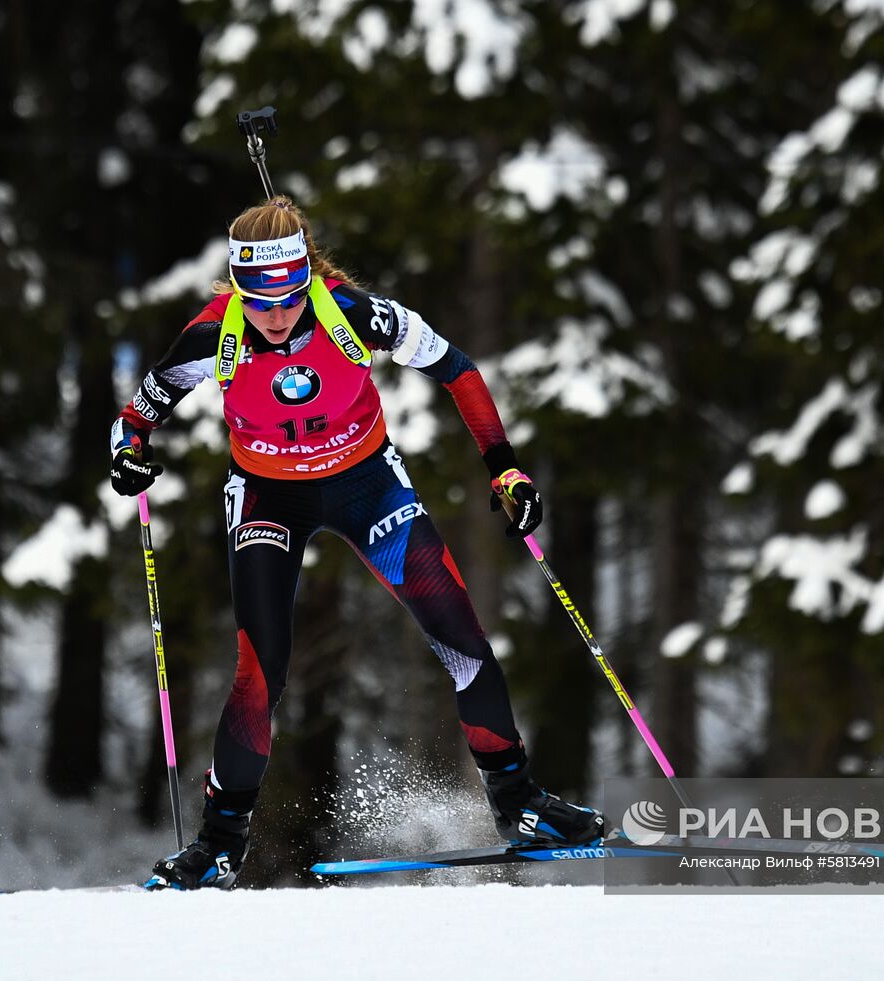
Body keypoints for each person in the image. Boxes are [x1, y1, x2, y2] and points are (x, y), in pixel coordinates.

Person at [110, 196, 606, 890]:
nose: (275, 316)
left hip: (367, 485)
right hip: (267, 497)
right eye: (257, 299)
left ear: (306, 278)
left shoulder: (356, 314)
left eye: (287, 297)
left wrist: (506, 469)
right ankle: (220, 842)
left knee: (461, 640)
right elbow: (138, 414)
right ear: (237, 287)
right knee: (261, 674)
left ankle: (520, 804)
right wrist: (129, 452)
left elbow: (456, 368)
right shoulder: (209, 336)